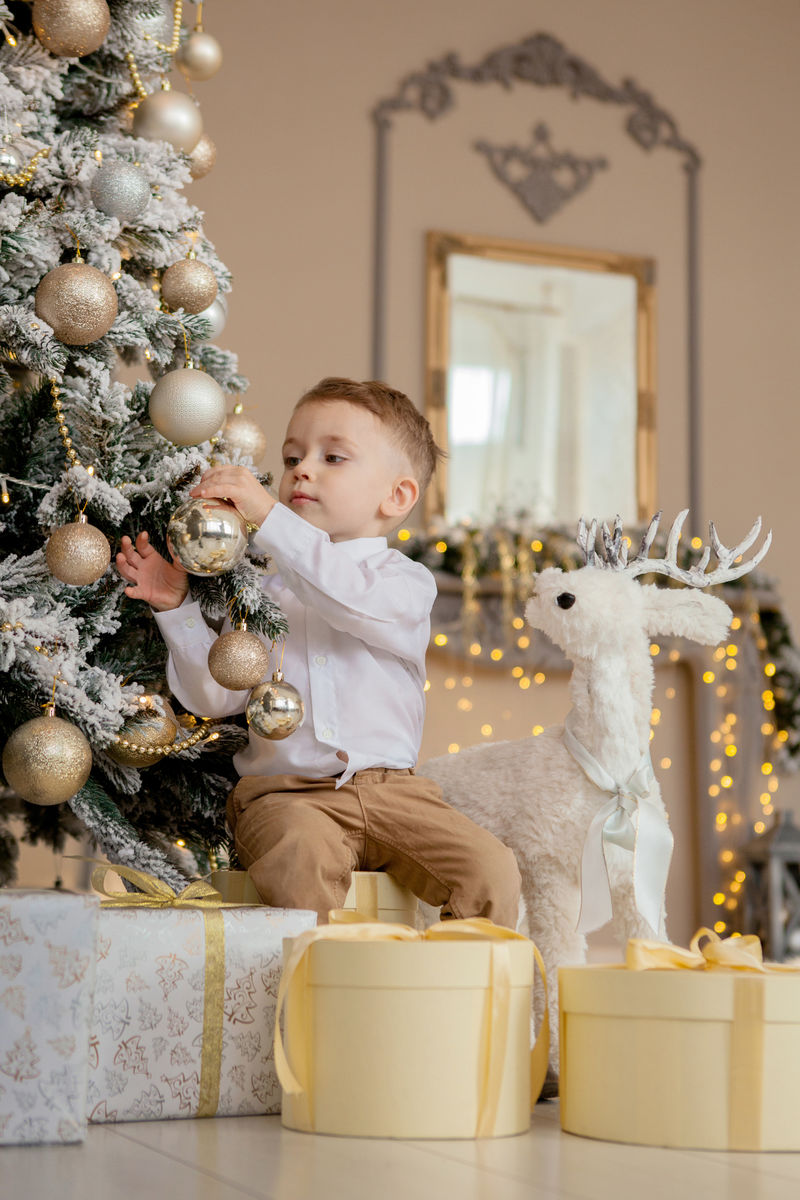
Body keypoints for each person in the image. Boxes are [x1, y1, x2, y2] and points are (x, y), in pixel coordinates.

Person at [116, 377, 520, 925]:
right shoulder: (258, 596)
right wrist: (177, 609)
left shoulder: (405, 584)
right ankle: (317, 996)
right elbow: (214, 696)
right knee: (300, 861)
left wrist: (269, 517)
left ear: (396, 497)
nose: (302, 469)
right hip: (285, 796)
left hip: (395, 791)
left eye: (333, 457)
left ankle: (462, 1000)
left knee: (491, 870)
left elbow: (347, 599)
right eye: (291, 457)